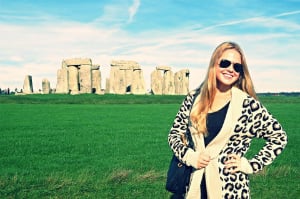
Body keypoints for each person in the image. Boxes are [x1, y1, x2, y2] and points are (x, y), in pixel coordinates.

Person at [167, 41, 288, 199]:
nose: (231, 69)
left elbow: (279, 137)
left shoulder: (248, 105)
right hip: (194, 184)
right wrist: (190, 156)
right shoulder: (193, 98)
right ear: (214, 65)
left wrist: (250, 164)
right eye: (225, 63)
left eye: (237, 67)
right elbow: (175, 134)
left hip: (230, 189)